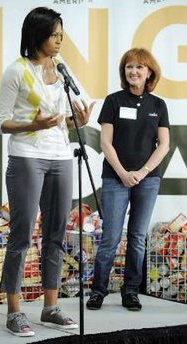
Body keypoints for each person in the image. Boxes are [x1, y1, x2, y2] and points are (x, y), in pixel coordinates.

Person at [0, 7, 94, 337]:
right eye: (55, 35)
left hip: (61, 156)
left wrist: (77, 121)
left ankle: (50, 307)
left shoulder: (64, 72)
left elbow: (66, 120)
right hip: (26, 156)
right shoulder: (16, 71)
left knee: (55, 234)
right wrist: (32, 125)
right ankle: (14, 311)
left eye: (62, 35)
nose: (60, 41)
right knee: (22, 235)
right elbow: (0, 123)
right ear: (37, 35)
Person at [86, 48, 170, 312]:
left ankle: (131, 291)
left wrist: (142, 172)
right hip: (115, 178)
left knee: (136, 237)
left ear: (149, 72)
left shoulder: (158, 105)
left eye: (139, 67)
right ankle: (98, 291)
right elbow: (105, 143)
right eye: (128, 67)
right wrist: (123, 173)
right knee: (110, 236)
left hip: (148, 180)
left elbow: (164, 145)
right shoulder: (113, 101)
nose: (133, 71)